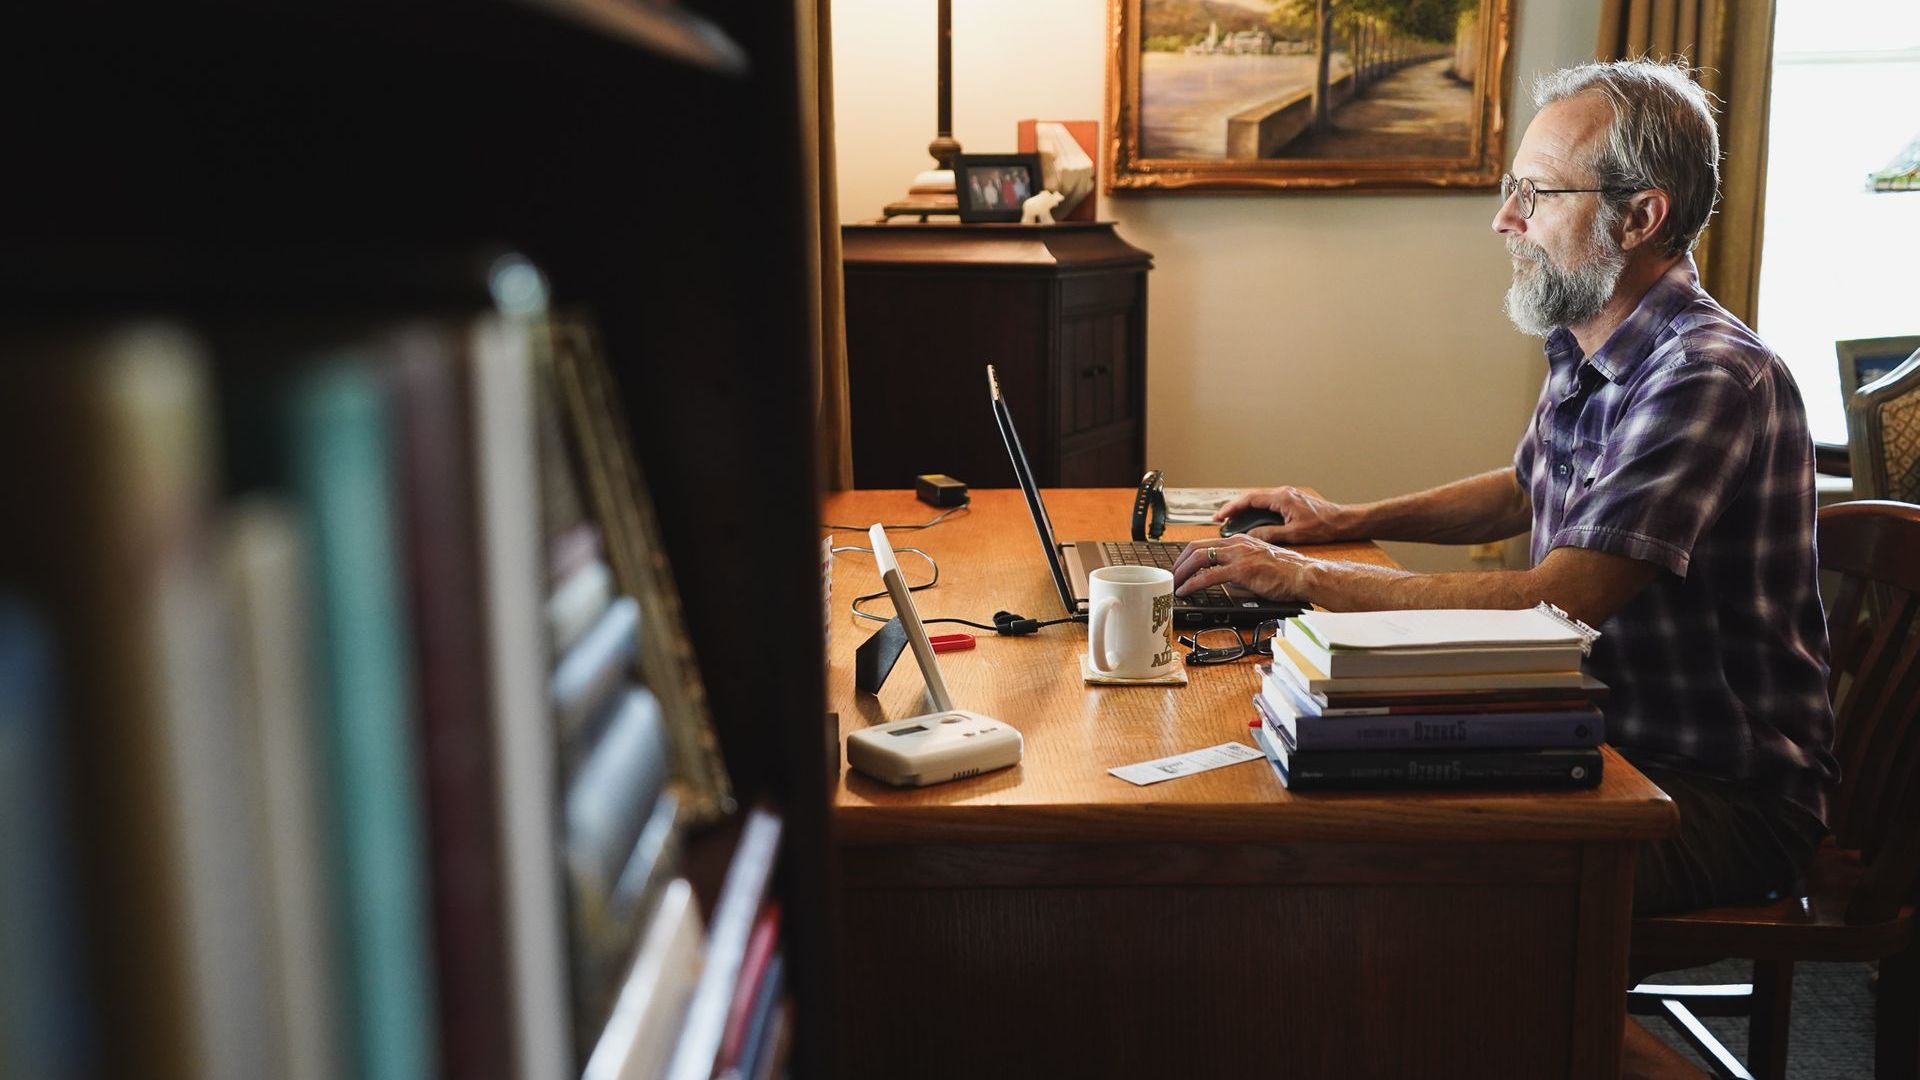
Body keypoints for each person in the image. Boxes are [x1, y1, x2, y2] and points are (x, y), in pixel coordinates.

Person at [1170, 59, 1838, 919]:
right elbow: (1526, 488)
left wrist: (1306, 580)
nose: (1505, 219)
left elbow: (1556, 604)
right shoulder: (1594, 336)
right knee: (1331, 802)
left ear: (1640, 217)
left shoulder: (1707, 376)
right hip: (1586, 736)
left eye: (1537, 193)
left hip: (1713, 792)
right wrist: (1344, 520)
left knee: (1402, 889)